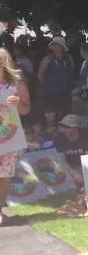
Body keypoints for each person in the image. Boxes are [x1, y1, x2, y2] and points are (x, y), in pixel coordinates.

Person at [0, 48, 31, 226]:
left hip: (9, 137)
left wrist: (19, 103)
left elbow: (27, 110)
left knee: (4, 175)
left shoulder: (17, 85)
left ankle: (1, 211)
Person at [54, 114, 88, 186]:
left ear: (76, 127)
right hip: (68, 170)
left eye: (67, 127)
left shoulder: (85, 137)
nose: (64, 129)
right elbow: (60, 159)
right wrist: (73, 172)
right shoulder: (59, 139)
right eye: (63, 126)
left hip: (84, 169)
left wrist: (83, 172)